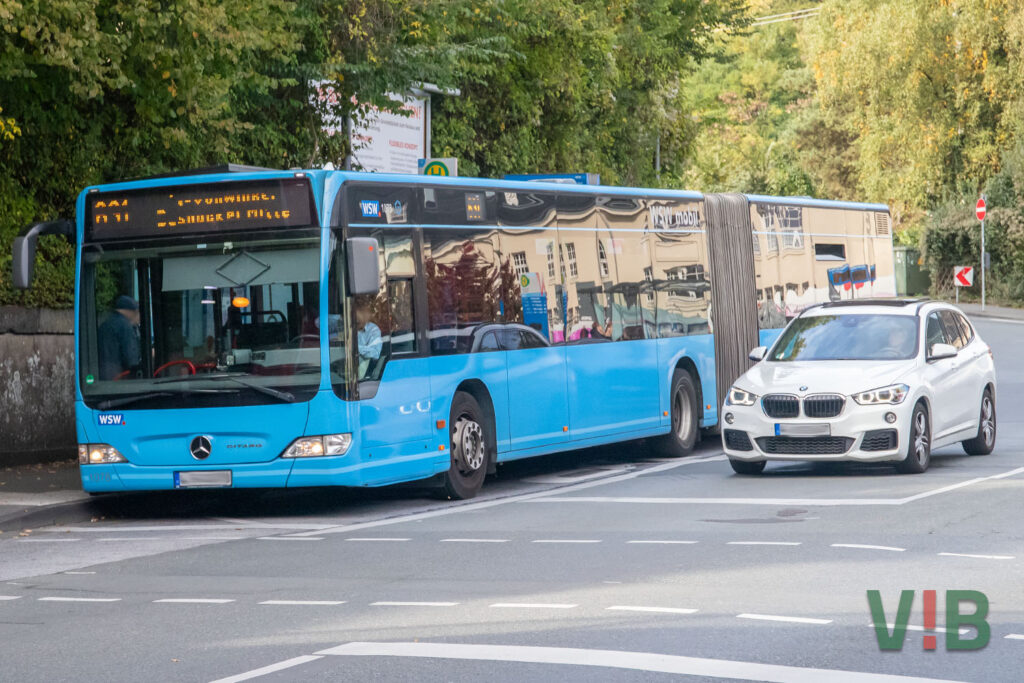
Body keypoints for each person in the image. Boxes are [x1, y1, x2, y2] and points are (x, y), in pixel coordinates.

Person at [98, 295, 141, 380]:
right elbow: (131, 360)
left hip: (103, 375)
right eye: (136, 312)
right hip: (120, 377)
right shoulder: (125, 326)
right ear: (129, 311)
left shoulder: (105, 324)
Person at [355, 297, 382, 377]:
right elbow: (318, 322)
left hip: (363, 374)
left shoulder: (373, 329)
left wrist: (354, 348)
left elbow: (375, 353)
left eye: (358, 320)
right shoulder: (345, 325)